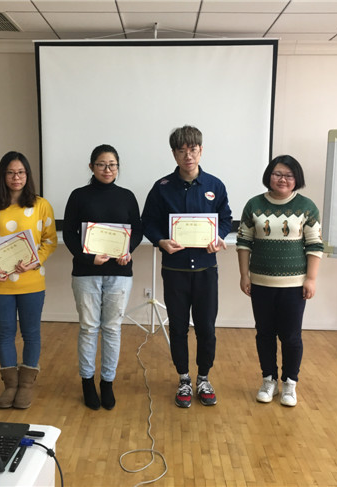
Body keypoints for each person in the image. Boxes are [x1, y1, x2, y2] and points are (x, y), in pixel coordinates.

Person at [142, 126, 232, 408]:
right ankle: (183, 378)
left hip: (206, 270)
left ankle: (203, 378)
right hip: (175, 271)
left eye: (192, 150)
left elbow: (226, 219)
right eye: (181, 151)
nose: (188, 156)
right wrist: (160, 241)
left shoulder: (215, 185)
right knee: (178, 328)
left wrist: (219, 237)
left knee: (206, 328)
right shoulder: (161, 187)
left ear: (200, 150)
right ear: (174, 154)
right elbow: (148, 222)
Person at [236, 154, 323, 407]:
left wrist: (311, 279)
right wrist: (244, 275)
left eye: (288, 175)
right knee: (264, 334)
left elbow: (315, 245)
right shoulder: (254, 204)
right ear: (269, 176)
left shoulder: (306, 206)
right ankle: (269, 380)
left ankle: (290, 384)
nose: (282, 179)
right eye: (277, 174)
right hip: (261, 283)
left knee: (291, 336)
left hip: (294, 286)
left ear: (297, 179)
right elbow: (243, 242)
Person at [0, 151, 57, 409]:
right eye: (10, 172)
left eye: (21, 172)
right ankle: (10, 385)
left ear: (27, 175)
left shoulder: (41, 205)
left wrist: (35, 261)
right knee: (4, 334)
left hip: (32, 283)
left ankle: (26, 386)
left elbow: (50, 241)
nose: (16, 177)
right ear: (2, 176)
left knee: (31, 333)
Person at [63, 144, 143, 410]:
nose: (107, 169)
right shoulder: (78, 196)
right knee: (88, 328)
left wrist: (127, 251)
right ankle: (87, 382)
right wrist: (88, 258)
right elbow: (69, 234)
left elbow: (137, 231)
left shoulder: (127, 196)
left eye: (112, 165)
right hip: (86, 272)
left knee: (112, 328)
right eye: (101, 164)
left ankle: (107, 382)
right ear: (91, 167)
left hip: (119, 273)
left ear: (118, 167)